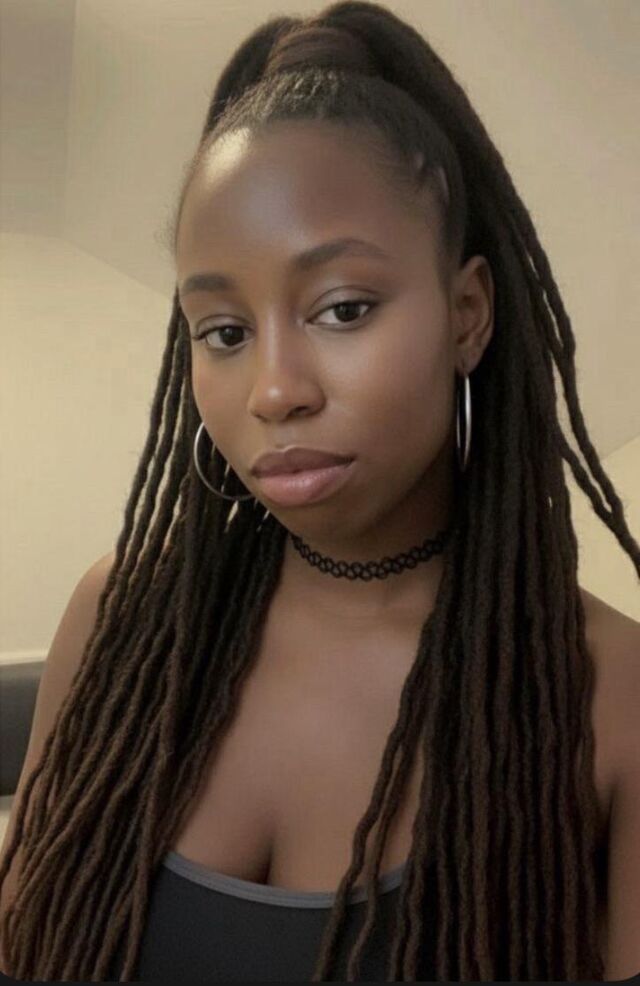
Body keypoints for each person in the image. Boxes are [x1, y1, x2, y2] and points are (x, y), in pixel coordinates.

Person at [1, 1, 639, 981]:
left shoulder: (610, 694)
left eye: (342, 309)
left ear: (468, 313)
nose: (274, 390)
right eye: (224, 331)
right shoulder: (120, 615)